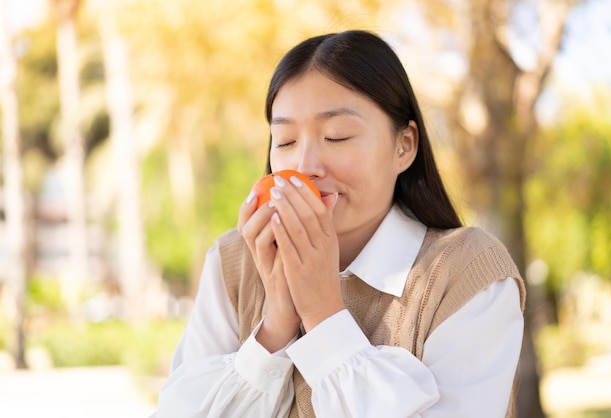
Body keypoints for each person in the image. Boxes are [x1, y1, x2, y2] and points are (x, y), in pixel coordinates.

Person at [152, 30, 526, 418]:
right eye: (285, 141)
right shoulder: (234, 262)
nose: (305, 167)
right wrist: (277, 324)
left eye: (337, 136)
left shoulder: (467, 273)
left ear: (405, 145)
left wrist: (323, 313)